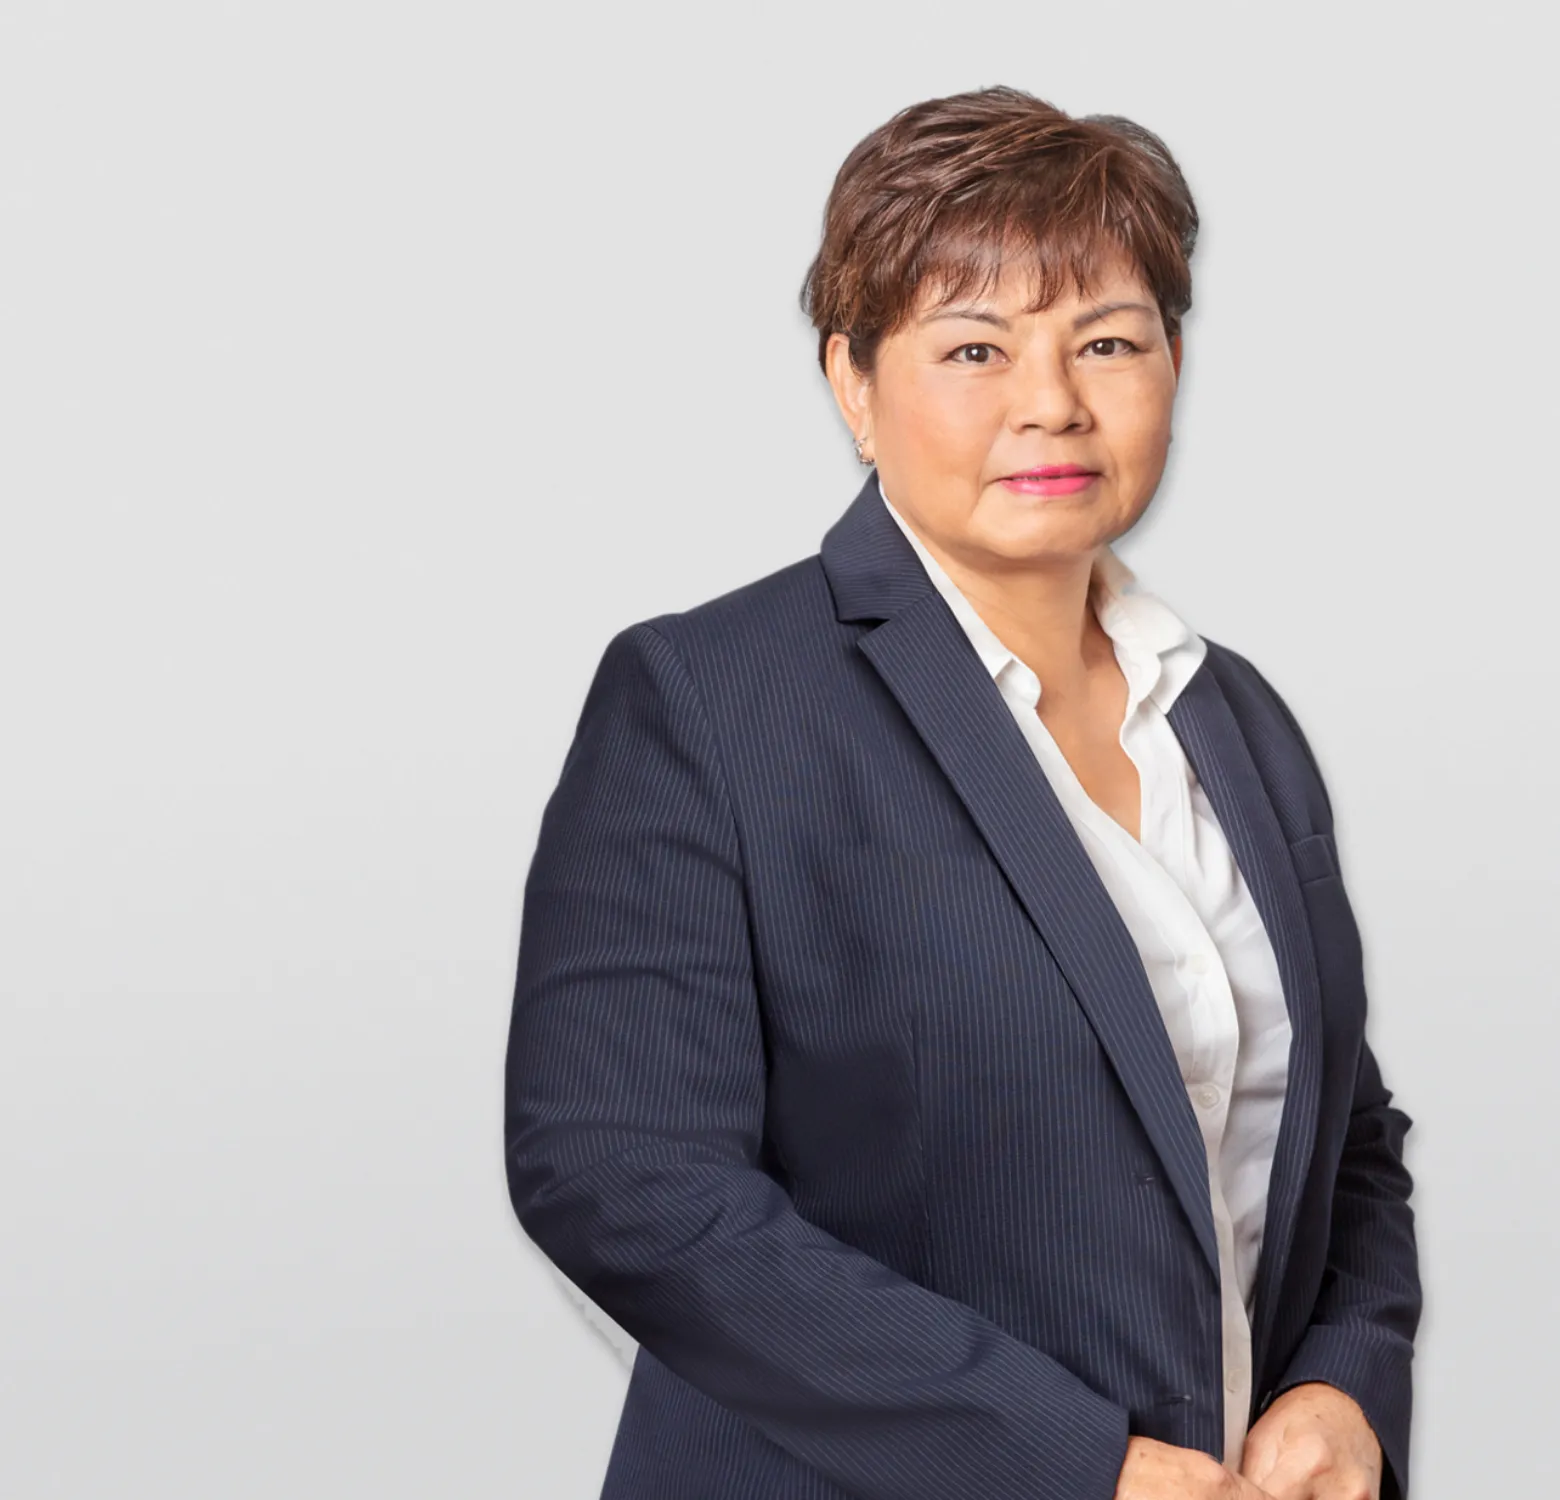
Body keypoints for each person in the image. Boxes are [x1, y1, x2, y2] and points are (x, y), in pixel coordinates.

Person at [504, 85, 1420, 1500]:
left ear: (1173, 364)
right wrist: (1075, 1464)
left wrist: (1343, 1380)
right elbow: (623, 1180)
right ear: (853, 384)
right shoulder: (709, 701)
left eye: (1107, 342)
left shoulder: (1231, 713)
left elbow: (1339, 1129)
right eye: (975, 347)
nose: (1053, 403)